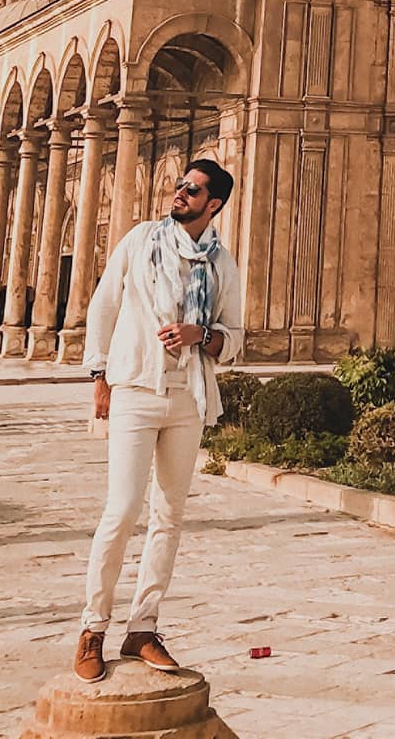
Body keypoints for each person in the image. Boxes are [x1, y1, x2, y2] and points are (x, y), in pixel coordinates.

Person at [73, 159, 242, 683]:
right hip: (136, 389)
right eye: (179, 185)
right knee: (121, 511)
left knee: (168, 517)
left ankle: (142, 629)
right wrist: (99, 375)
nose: (179, 193)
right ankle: (92, 629)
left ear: (212, 204)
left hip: (187, 397)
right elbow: (105, 304)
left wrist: (201, 336)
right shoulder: (143, 240)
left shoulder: (221, 264)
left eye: (191, 189)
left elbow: (233, 336)